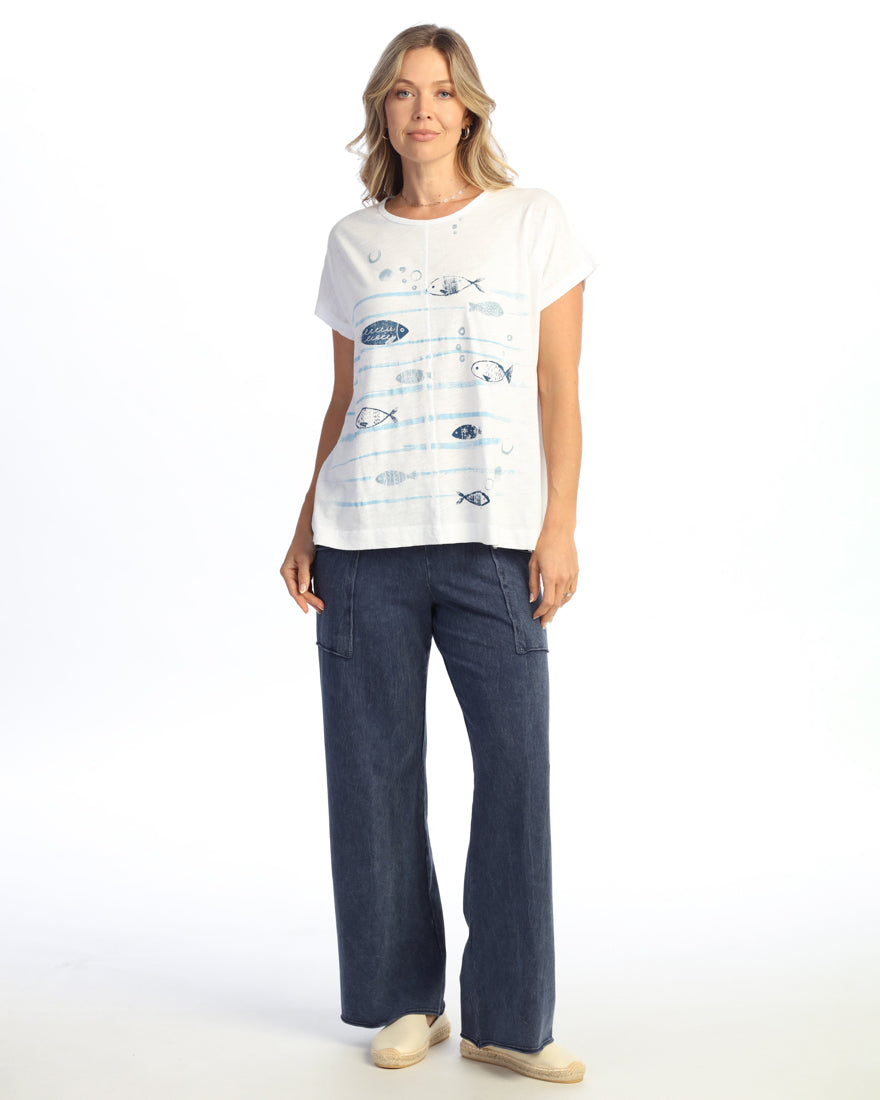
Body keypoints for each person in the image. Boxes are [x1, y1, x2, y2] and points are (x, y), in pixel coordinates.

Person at [280, 23, 597, 1085]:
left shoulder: (531, 220)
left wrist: (558, 524)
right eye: (405, 91)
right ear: (383, 110)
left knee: (515, 770)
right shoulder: (352, 239)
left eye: (443, 91)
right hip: (362, 541)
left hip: (492, 546)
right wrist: (304, 522)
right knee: (371, 775)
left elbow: (559, 388)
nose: (424, 109)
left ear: (470, 109)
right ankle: (402, 998)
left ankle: (508, 1018)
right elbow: (345, 395)